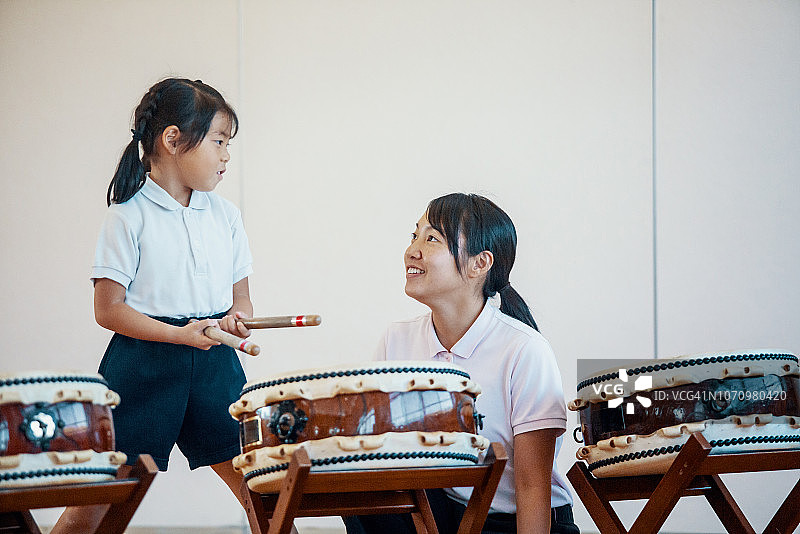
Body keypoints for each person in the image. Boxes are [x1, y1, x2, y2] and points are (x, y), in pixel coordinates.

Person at [52, 78, 254, 532]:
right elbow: (108, 310)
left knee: (260, 488)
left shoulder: (227, 216)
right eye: (219, 141)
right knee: (103, 495)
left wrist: (236, 320)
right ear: (173, 139)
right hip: (142, 363)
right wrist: (177, 334)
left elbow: (241, 299)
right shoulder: (128, 215)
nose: (226, 155)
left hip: (213, 362)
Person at [344, 193, 579, 534]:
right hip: (443, 514)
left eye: (432, 238)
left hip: (515, 523)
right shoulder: (397, 341)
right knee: (360, 487)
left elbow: (532, 486)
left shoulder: (524, 350)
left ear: (479, 264)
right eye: (414, 236)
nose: (413, 250)